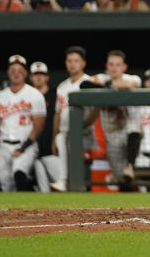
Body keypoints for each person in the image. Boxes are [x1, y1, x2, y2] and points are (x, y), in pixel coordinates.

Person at [0, 55, 46, 192]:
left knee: (19, 173)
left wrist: (23, 147)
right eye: (13, 70)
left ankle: (24, 210)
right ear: (8, 73)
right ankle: (13, 213)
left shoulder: (35, 95)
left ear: (25, 73)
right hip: (3, 146)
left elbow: (39, 126)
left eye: (20, 71)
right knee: (6, 184)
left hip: (25, 144)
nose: (16, 74)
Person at [93, 50, 142, 185]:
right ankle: (125, 205)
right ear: (107, 66)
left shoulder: (132, 78)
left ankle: (130, 165)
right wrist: (103, 83)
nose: (114, 68)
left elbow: (130, 84)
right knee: (121, 177)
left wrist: (107, 85)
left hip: (129, 129)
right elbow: (85, 84)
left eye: (118, 65)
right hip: (112, 133)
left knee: (134, 126)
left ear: (124, 67)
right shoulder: (101, 77)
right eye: (111, 65)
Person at [50, 45, 91, 192]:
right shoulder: (62, 86)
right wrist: (53, 137)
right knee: (61, 138)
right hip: (66, 133)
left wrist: (83, 126)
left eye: (76, 61)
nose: (72, 64)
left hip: (86, 133)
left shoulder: (89, 83)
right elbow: (58, 114)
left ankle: (64, 181)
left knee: (64, 139)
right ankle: (63, 181)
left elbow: (96, 111)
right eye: (69, 61)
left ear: (83, 63)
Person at [28, 61, 61, 193]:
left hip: (50, 148)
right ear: (30, 77)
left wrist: (55, 140)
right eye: (35, 74)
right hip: (32, 149)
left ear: (47, 77)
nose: (38, 77)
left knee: (61, 182)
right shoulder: (26, 95)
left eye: (42, 74)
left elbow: (58, 119)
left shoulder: (55, 95)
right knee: (42, 191)